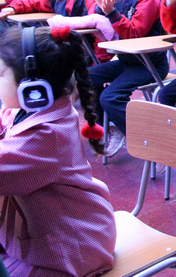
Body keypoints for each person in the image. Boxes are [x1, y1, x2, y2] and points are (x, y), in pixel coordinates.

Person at [0, 26, 116, 277]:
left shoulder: (44, 136)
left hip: (71, 249)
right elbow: (4, 123)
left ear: (32, 87)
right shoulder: (26, 110)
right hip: (46, 236)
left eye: (0, 74)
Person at [88, 0, 167, 157]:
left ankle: (148, 141)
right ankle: (111, 126)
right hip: (128, 61)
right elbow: (105, 20)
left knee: (110, 97)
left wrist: (111, 12)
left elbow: (134, 33)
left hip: (149, 65)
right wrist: (100, 6)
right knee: (86, 78)